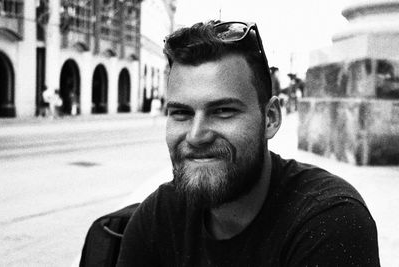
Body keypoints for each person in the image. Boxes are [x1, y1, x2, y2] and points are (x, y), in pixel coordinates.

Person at [117, 21, 380, 266]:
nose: (196, 136)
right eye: (182, 113)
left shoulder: (329, 221)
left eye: (223, 111)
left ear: (271, 118)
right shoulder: (157, 219)